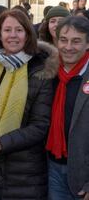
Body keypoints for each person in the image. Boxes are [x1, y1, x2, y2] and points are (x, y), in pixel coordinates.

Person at [0, 9, 57, 199]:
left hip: (24, 174)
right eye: (7, 30)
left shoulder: (41, 71)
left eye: (19, 30)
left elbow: (40, 126)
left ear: (27, 34)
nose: (13, 35)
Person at [46, 16, 89, 200]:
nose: (68, 47)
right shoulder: (49, 72)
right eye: (63, 40)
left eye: (76, 41)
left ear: (87, 44)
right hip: (52, 167)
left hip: (83, 174)